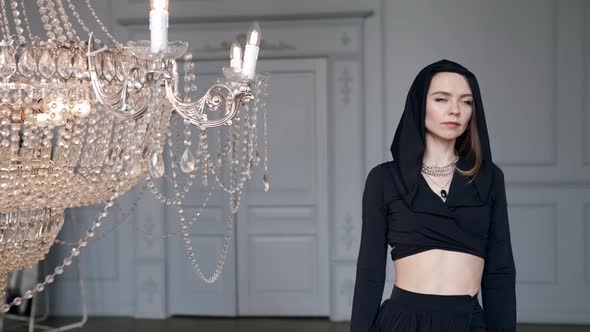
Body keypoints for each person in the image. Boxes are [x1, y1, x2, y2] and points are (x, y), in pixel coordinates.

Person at [349, 59, 516, 332]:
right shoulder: (384, 179)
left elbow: (500, 271)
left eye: (466, 102)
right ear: (419, 105)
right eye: (441, 99)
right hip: (403, 322)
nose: (455, 110)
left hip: (468, 323)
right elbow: (370, 272)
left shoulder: (489, 178)